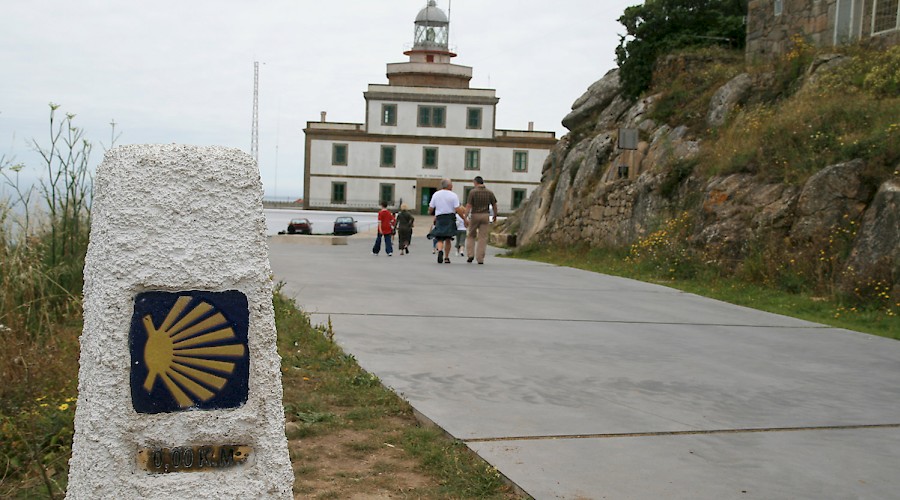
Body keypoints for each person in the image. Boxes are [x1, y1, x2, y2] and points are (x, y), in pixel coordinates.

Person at [428, 178, 466, 264]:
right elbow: (457, 209)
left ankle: (440, 250)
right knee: (448, 238)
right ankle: (446, 257)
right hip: (450, 217)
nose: (452, 186)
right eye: (451, 184)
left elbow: (431, 208)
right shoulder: (453, 195)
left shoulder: (436, 194)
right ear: (448, 186)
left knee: (440, 237)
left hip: (440, 217)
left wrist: (430, 213)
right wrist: (464, 218)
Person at [465, 176, 498, 265]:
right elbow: (494, 204)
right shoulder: (489, 192)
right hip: (485, 215)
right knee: (482, 237)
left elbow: (468, 205)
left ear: (476, 182)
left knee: (471, 235)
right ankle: (480, 258)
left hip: (475, 215)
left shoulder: (473, 192)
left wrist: (465, 216)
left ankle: (470, 254)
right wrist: (495, 215)